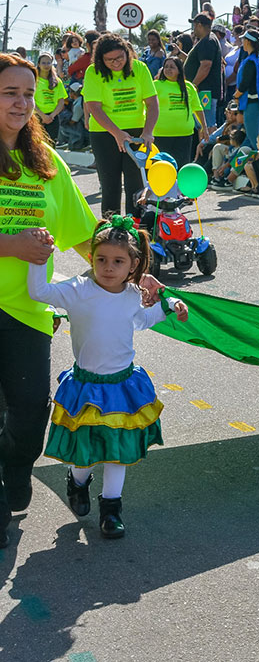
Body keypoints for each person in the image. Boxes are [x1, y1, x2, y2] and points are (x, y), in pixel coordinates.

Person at [0, 52, 107, 548]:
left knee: (28, 414)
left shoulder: (45, 162)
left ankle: (15, 466)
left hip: (26, 310)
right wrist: (10, 245)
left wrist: (135, 273)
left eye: (28, 93)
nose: (22, 103)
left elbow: (84, 234)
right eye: (10, 93)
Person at [26, 217, 187, 538]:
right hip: (86, 387)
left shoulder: (131, 295)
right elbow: (38, 291)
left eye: (118, 261)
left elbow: (141, 321)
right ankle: (78, 481)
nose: (108, 267)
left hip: (123, 387)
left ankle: (111, 509)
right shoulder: (76, 290)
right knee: (85, 451)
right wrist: (37, 257)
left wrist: (170, 305)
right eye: (101, 259)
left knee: (117, 452)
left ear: (133, 264)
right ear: (91, 259)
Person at [83, 34, 158, 219]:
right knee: (111, 185)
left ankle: (137, 229)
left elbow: (152, 103)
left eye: (119, 58)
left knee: (136, 185)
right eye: (109, 60)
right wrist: (116, 133)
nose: (115, 63)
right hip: (104, 133)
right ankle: (111, 231)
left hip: (136, 134)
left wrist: (148, 131)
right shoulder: (93, 72)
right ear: (101, 59)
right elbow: (94, 106)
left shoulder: (140, 68)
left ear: (127, 53)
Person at [152, 57, 208, 168]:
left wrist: (204, 127)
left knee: (182, 166)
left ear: (179, 70)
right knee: (161, 167)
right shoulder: (156, 85)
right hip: (160, 134)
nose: (168, 69)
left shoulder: (189, 87)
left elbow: (198, 108)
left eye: (172, 67)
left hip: (184, 135)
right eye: (166, 67)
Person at [234, 29, 259, 150]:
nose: (242, 42)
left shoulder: (251, 60)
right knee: (252, 138)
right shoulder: (258, 58)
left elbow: (245, 83)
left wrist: (236, 96)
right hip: (257, 102)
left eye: (243, 39)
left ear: (248, 42)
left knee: (254, 139)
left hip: (252, 102)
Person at [185, 14, 223, 129]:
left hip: (206, 91)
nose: (194, 28)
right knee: (202, 125)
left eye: (194, 25)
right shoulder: (207, 40)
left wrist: (193, 85)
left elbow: (205, 66)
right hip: (204, 90)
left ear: (200, 25)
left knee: (207, 124)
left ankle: (210, 147)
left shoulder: (208, 41)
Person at [34, 53, 67, 143]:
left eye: (49, 63)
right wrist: (42, 116)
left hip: (53, 118)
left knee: (51, 144)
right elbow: (30, 101)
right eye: (43, 63)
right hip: (37, 116)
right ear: (39, 64)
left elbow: (61, 101)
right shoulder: (34, 80)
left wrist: (51, 116)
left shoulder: (57, 81)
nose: (46, 65)